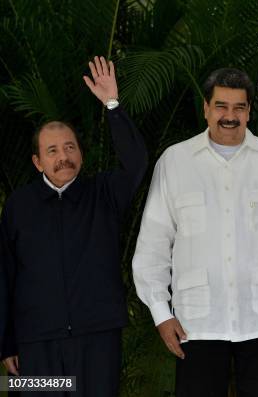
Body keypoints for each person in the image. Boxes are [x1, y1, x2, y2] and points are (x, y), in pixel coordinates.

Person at [132, 67, 258, 397]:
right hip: (197, 323)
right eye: (221, 106)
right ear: (206, 108)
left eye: (239, 107)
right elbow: (154, 242)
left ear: (249, 111)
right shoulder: (175, 161)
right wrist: (159, 312)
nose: (230, 116)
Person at [0, 56, 148, 396]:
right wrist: (6, 342)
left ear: (80, 154)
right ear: (38, 162)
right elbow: (4, 275)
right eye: (51, 150)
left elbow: (136, 161)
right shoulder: (18, 207)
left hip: (97, 340)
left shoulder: (105, 193)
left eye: (69, 147)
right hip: (35, 344)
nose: (62, 156)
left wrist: (112, 105)